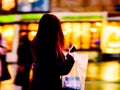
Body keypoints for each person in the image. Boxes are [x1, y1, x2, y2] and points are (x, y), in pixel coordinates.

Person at [30, 13, 75, 90]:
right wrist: (70, 59)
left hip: (39, 84)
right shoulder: (49, 45)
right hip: (49, 85)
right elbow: (58, 69)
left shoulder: (38, 42)